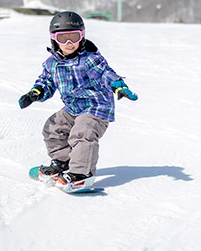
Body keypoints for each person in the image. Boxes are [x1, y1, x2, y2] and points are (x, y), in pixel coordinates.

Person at [18, 10, 138, 189]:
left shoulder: (89, 60)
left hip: (96, 108)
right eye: (63, 37)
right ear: (53, 39)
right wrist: (36, 92)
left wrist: (118, 85)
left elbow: (105, 73)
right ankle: (63, 162)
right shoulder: (52, 63)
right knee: (53, 128)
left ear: (82, 37)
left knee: (82, 133)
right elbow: (46, 81)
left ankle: (82, 173)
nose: (68, 43)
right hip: (74, 107)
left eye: (74, 37)